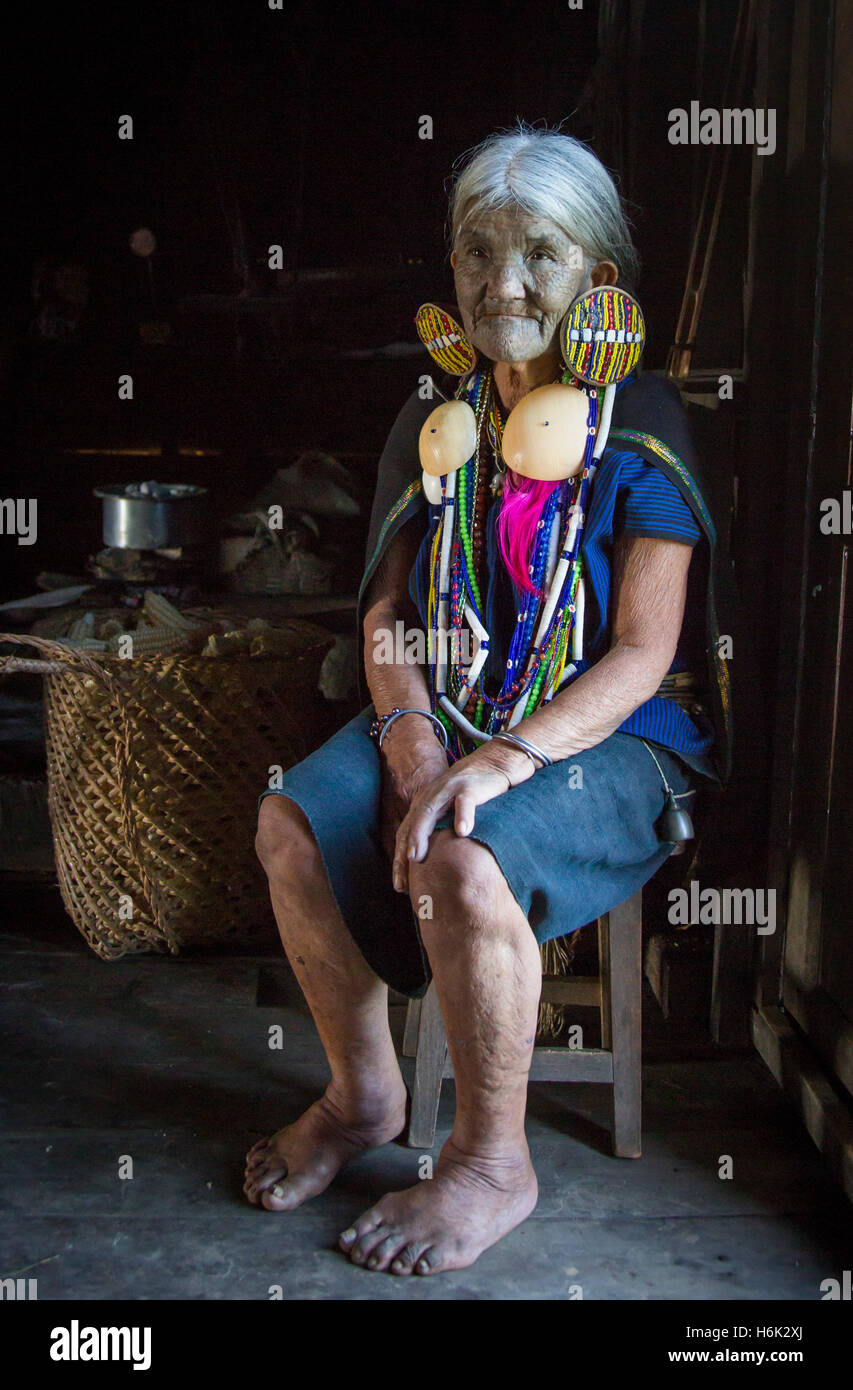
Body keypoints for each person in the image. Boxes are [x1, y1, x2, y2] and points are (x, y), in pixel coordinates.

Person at [245, 124, 730, 1277]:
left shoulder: (640, 427)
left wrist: (501, 760)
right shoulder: (437, 424)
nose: (501, 284)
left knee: (466, 857)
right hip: (451, 704)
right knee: (292, 822)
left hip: (612, 732)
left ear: (595, 277)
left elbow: (639, 652)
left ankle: (486, 1160)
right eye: (475, 254)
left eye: (540, 255)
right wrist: (411, 732)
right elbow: (385, 615)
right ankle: (363, 1099)